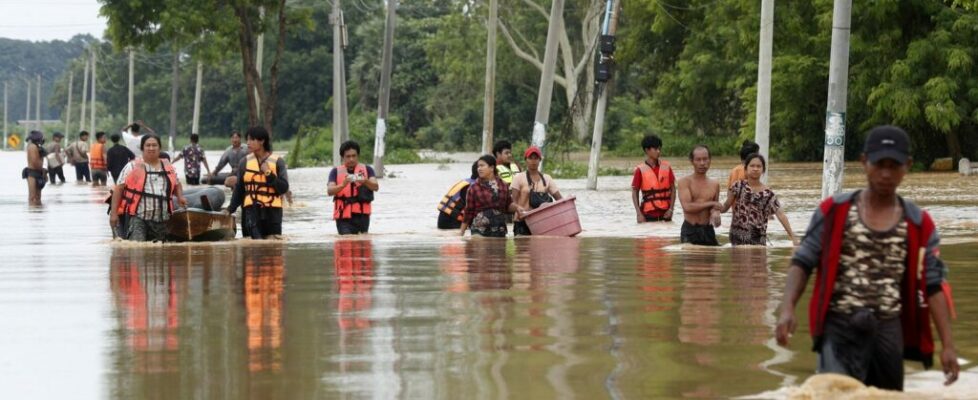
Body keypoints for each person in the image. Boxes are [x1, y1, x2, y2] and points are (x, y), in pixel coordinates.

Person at [775, 126, 959, 391]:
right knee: (835, 395)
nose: (885, 173)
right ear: (864, 162)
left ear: (907, 166)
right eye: (878, 164)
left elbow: (933, 285)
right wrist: (788, 307)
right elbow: (803, 261)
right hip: (839, 327)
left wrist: (948, 346)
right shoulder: (834, 212)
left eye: (894, 165)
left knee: (885, 397)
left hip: (888, 330)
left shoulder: (918, 223)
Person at [110, 134, 188, 242]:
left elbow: (177, 184)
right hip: (139, 218)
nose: (151, 148)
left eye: (154, 145)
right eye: (148, 145)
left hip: (162, 219)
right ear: (142, 148)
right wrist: (114, 214)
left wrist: (180, 197)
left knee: (159, 252)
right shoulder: (132, 166)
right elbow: (118, 189)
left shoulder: (169, 167)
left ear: (159, 148)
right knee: (137, 250)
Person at [720, 153, 798, 246]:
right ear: (746, 169)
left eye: (759, 166)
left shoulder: (768, 194)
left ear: (763, 170)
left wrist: (793, 237)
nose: (755, 169)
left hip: (757, 241)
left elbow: (781, 215)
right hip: (737, 240)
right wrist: (713, 207)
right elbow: (725, 206)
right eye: (752, 166)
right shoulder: (738, 186)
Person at [227, 127, 289, 239]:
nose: (248, 143)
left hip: (272, 213)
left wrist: (269, 173)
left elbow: (284, 188)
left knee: (273, 249)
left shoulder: (278, 162)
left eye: (252, 140)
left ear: (262, 141)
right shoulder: (244, 162)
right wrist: (229, 210)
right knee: (252, 248)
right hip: (250, 212)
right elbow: (239, 190)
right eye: (247, 140)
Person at [460, 155, 522, 237]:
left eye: (482, 166)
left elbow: (508, 205)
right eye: (478, 166)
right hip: (479, 230)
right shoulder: (473, 188)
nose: (479, 168)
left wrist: (517, 208)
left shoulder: (503, 185)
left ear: (492, 168)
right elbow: (468, 212)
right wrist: (461, 232)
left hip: (500, 230)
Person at [327, 140, 379, 235]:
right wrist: (343, 184)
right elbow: (330, 191)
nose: (351, 159)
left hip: (362, 216)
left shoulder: (368, 170)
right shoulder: (335, 172)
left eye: (354, 156)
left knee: (362, 244)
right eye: (348, 156)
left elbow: (375, 187)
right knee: (347, 241)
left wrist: (365, 181)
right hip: (343, 218)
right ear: (343, 157)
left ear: (357, 156)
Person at [511, 146, 563, 236]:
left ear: (540, 160)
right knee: (523, 249)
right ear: (525, 160)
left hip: (542, 222)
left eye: (536, 158)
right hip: (522, 222)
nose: (533, 161)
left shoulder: (547, 178)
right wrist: (518, 210)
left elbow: (560, 201)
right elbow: (512, 202)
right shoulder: (518, 178)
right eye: (530, 158)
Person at [676, 145, 721, 245]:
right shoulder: (684, 182)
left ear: (710, 160)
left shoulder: (715, 184)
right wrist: (711, 203)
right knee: (692, 258)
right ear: (692, 161)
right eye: (698, 160)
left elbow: (714, 207)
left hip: (708, 230)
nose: (702, 163)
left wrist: (715, 214)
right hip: (690, 231)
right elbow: (687, 207)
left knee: (712, 259)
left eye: (705, 159)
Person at [631, 134, 676, 223]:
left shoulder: (667, 167)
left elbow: (673, 190)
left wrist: (671, 210)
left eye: (659, 149)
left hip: (666, 214)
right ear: (647, 150)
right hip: (648, 215)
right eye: (655, 149)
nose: (658, 151)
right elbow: (634, 192)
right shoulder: (640, 170)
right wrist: (639, 214)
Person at [437, 161, 479, 230]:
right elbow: (471, 211)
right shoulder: (471, 187)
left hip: (444, 221)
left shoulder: (465, 182)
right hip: (452, 223)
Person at [23, 130, 47, 206]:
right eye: (42, 138)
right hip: (32, 173)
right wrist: (43, 171)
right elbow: (35, 162)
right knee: (33, 197)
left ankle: (37, 214)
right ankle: (32, 214)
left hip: (38, 172)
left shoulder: (37, 147)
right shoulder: (32, 147)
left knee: (38, 197)